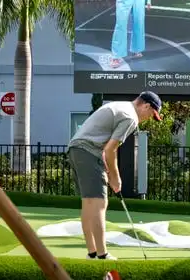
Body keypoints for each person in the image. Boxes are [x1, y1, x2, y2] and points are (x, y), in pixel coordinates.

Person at [67, 91, 162, 260]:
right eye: (151, 114)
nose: (148, 118)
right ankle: (102, 255)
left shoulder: (120, 105)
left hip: (76, 150)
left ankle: (92, 253)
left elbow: (106, 148)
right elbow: (110, 149)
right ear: (146, 106)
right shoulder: (130, 117)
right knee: (99, 203)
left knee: (89, 204)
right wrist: (115, 177)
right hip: (89, 151)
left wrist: (108, 170)